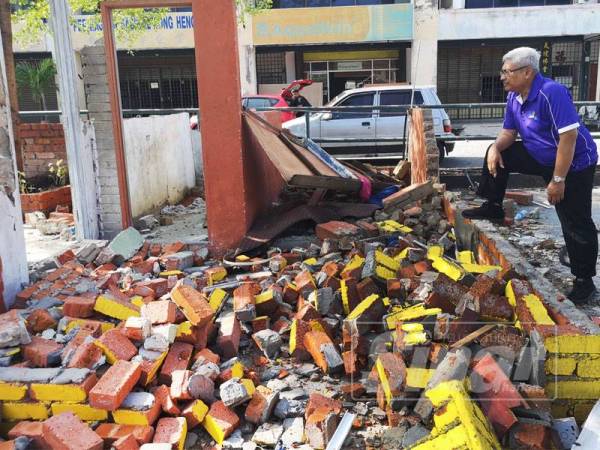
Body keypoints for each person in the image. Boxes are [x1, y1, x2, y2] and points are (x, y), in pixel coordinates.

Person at [462, 47, 598, 304]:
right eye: (502, 71)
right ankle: (493, 205)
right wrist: (494, 148)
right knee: (501, 153)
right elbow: (509, 133)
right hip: (541, 155)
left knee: (574, 219)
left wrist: (558, 181)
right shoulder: (514, 97)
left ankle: (584, 281)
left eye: (507, 72)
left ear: (527, 72)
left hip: (573, 163)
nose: (502, 77)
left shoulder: (551, 93)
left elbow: (568, 138)